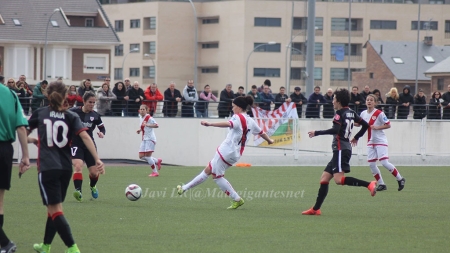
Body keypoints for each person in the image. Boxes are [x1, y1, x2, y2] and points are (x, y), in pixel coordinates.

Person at [27, 81, 104, 253]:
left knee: (55, 210)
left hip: (47, 167)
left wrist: (28, 147)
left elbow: (23, 131)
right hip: (64, 169)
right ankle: (46, 246)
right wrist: (97, 159)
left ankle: (72, 248)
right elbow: (85, 136)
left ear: (47, 95)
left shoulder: (41, 113)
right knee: (55, 208)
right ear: (65, 96)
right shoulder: (71, 116)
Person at [177, 96, 274, 209]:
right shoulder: (250, 121)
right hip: (235, 154)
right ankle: (183, 188)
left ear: (238, 107)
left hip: (226, 151)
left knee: (217, 177)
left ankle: (236, 199)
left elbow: (228, 124)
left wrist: (210, 124)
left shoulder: (237, 117)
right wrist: (269, 140)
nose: (232, 109)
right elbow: (261, 132)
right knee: (208, 170)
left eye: (233, 106)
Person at [302, 88, 376, 216]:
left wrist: (316, 133)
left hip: (341, 148)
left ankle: (369, 184)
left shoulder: (339, 114)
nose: (332, 101)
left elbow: (335, 130)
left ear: (339, 101)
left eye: (334, 99)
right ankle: (315, 209)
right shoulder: (351, 112)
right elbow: (366, 125)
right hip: (343, 148)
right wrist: (356, 137)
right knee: (324, 178)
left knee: (338, 180)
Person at [0, 76, 30, 253]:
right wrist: (25, 156)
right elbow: (20, 127)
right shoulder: (11, 94)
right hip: (5, 150)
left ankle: (5, 243)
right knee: (0, 201)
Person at [359, 94, 406, 192]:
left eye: (371, 100)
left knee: (384, 162)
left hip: (380, 141)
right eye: (367, 100)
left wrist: (377, 127)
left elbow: (388, 125)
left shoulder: (379, 113)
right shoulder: (363, 113)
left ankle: (400, 179)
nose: (369, 101)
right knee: (371, 164)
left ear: (375, 103)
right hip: (370, 141)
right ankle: (382, 184)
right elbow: (359, 123)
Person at [70, 92, 106, 202]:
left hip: (89, 146)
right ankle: (78, 191)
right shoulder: (73, 112)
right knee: (78, 166)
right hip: (76, 144)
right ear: (84, 101)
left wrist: (102, 133)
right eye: (90, 102)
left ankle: (92, 186)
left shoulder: (95, 115)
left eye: (94, 103)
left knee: (94, 173)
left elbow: (102, 128)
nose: (92, 104)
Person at [137, 105, 162, 177]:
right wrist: (140, 130)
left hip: (150, 139)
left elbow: (156, 125)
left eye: (143, 109)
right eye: (140, 109)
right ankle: (157, 161)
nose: (141, 110)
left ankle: (155, 172)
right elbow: (143, 126)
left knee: (148, 157)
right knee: (141, 156)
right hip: (144, 139)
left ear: (146, 110)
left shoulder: (149, 118)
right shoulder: (140, 117)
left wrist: (148, 125)